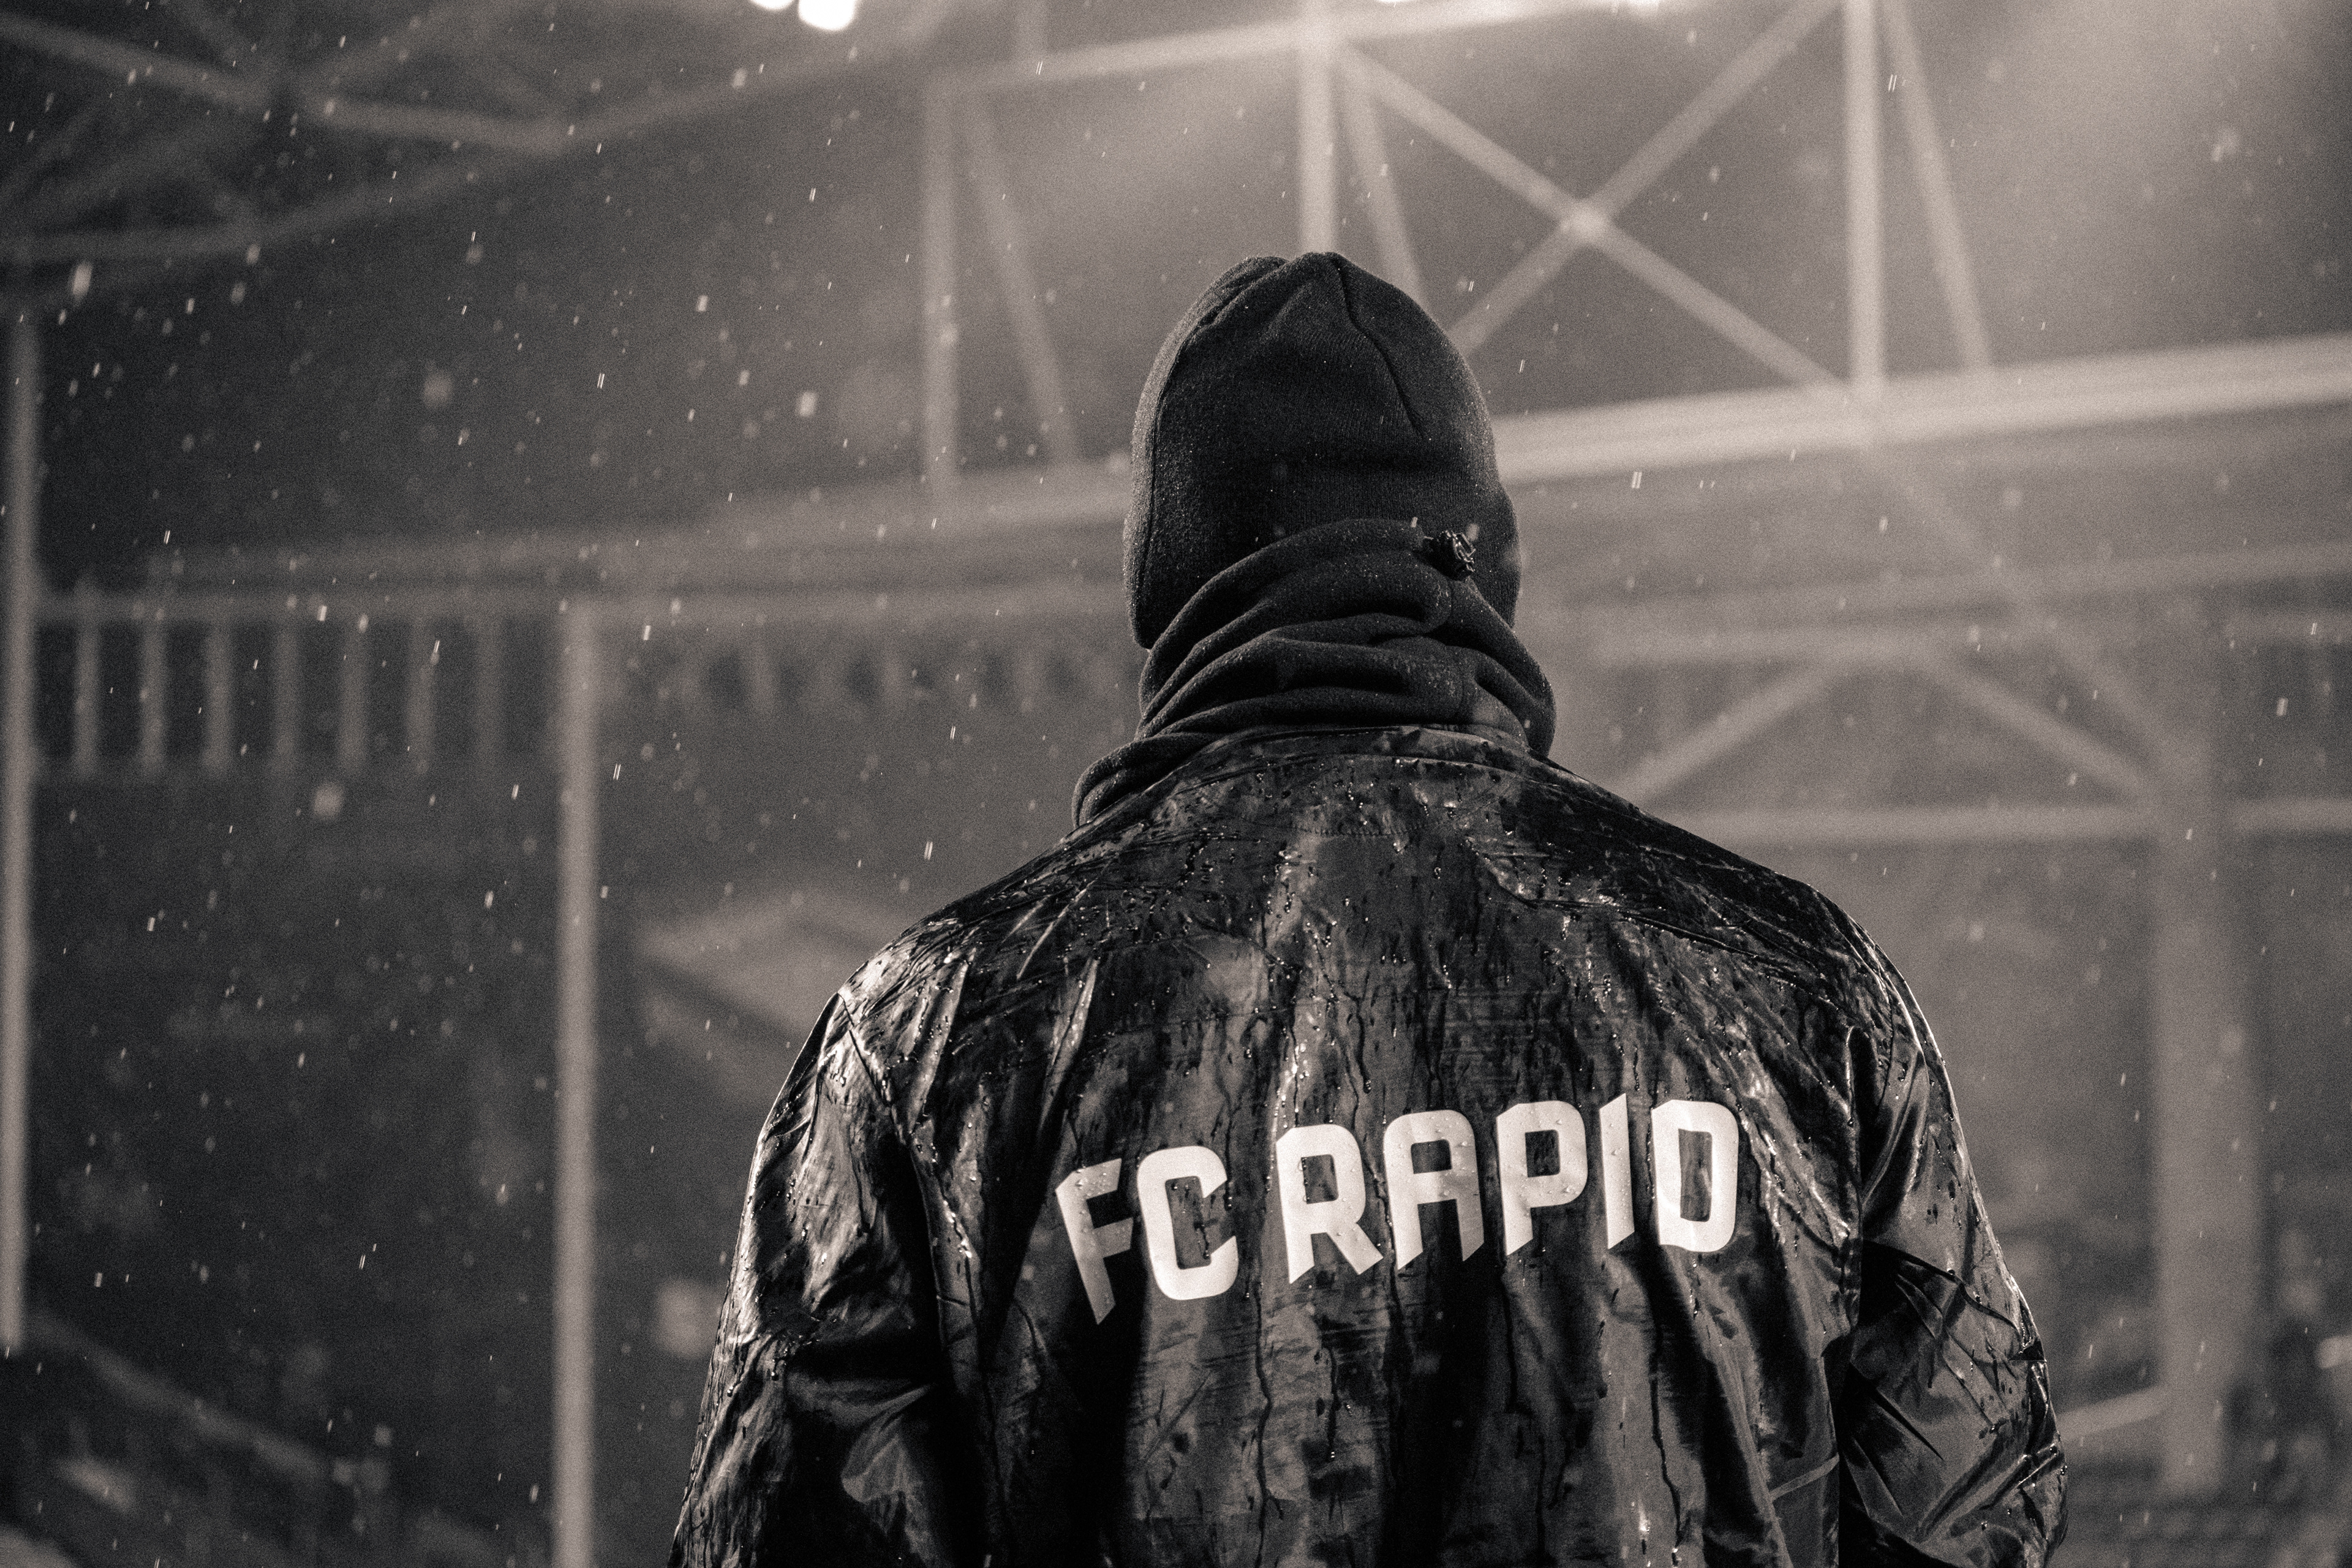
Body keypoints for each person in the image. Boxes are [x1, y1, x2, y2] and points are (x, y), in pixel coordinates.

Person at [668, 254, 2067, 1567]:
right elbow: (1967, 1511)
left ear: (1174, 593)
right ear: (1487, 564)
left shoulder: (937, 1043)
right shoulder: (1791, 986)